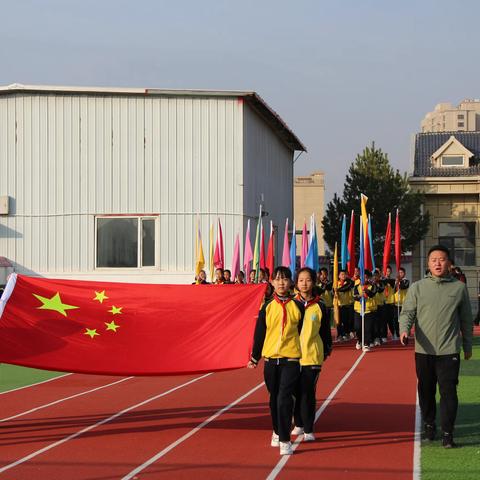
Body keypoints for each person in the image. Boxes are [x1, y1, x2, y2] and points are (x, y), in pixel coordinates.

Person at [399, 245, 473, 448]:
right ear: (428, 264)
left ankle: (448, 433)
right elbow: (407, 313)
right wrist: (404, 330)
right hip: (424, 351)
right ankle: (429, 424)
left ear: (449, 263)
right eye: (434, 260)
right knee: (426, 390)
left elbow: (466, 319)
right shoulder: (418, 287)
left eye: (442, 259)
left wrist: (467, 345)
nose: (438, 263)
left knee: (449, 392)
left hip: (449, 350)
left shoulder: (459, 288)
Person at [247, 266, 304, 456]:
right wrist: (255, 357)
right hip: (271, 360)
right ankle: (277, 430)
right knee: (274, 400)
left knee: (284, 398)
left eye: (285, 279)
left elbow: (303, 331)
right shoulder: (267, 307)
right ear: (271, 282)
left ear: (290, 282)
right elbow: (260, 333)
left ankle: (285, 439)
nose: (281, 283)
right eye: (277, 279)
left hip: (291, 359)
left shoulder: (297, 306)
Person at [292, 268, 332, 441]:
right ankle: (298, 424)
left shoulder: (320, 305)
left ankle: (308, 427)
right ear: (296, 283)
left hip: (312, 355)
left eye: (308, 280)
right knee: (294, 392)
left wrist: (327, 349)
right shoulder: (291, 303)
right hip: (292, 355)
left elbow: (325, 331)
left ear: (313, 282)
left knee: (308, 392)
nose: (304, 283)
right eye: (301, 280)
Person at [353, 270, 377, 351]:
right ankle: (359, 340)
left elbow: (372, 294)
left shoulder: (372, 286)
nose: (365, 279)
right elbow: (355, 297)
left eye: (367, 277)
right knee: (357, 327)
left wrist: (366, 290)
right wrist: (360, 296)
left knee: (368, 328)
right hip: (358, 310)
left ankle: (366, 343)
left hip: (368, 310)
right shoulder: (357, 286)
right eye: (363, 277)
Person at [336, 270, 354, 341]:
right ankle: (340, 335)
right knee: (339, 322)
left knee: (346, 321)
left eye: (345, 274)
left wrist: (338, 289)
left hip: (347, 305)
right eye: (342, 274)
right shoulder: (336, 283)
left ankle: (346, 333)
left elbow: (346, 288)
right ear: (339, 276)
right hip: (338, 305)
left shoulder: (349, 282)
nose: (343, 276)